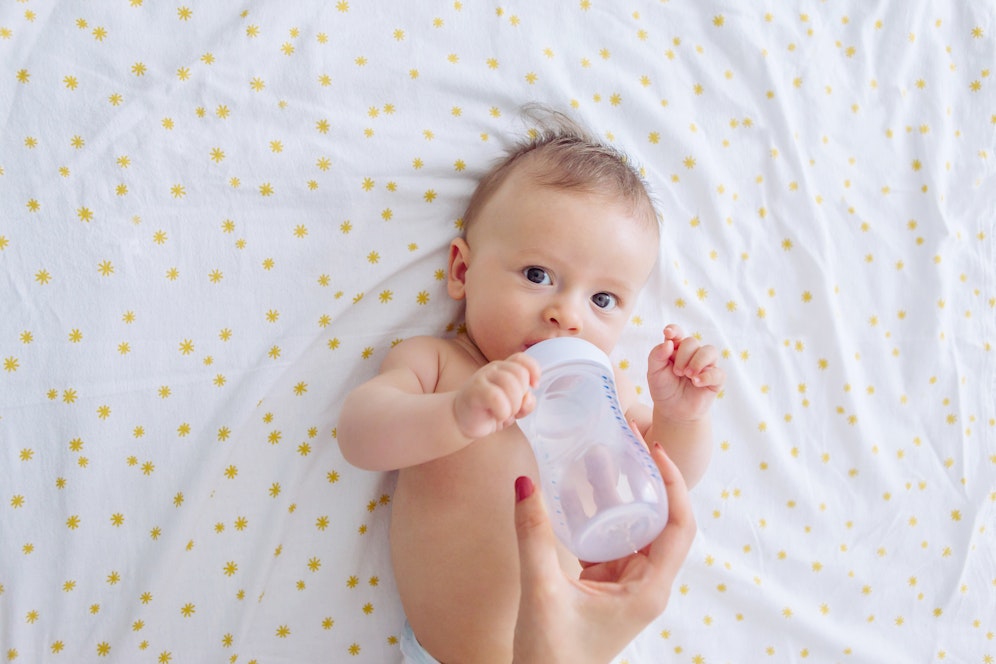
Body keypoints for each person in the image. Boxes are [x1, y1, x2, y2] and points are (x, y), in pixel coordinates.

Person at [338, 107, 725, 663]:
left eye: (602, 300)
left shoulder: (599, 393)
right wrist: (453, 415)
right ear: (462, 272)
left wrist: (682, 417)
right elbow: (359, 435)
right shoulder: (442, 366)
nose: (568, 316)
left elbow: (670, 476)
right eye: (538, 276)